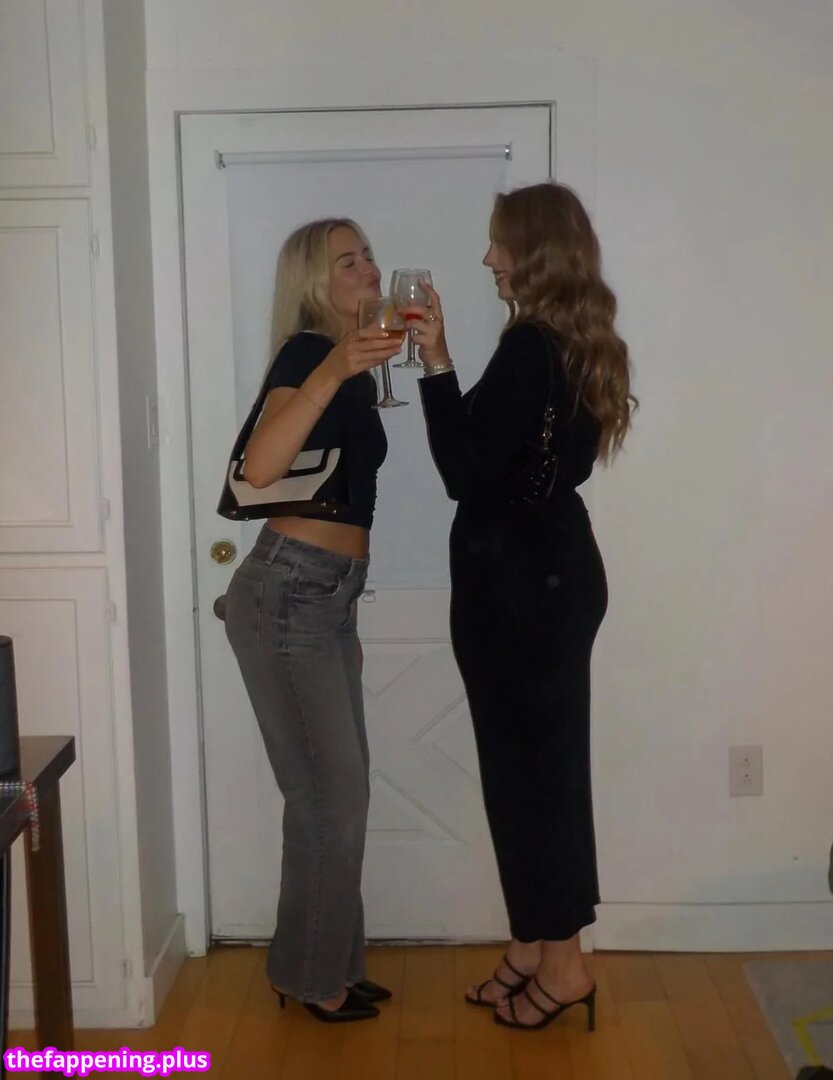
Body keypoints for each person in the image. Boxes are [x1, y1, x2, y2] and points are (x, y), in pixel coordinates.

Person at [412, 182, 636, 1031]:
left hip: (521, 590)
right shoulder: (570, 340)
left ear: (534, 252)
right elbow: (501, 456)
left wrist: (436, 362)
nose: (488, 259)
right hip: (544, 578)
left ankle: (565, 966)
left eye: (499, 243)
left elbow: (462, 470)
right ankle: (537, 946)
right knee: (536, 774)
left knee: (532, 781)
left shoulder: (532, 347)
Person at [223, 218, 403, 1023]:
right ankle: (315, 977)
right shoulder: (308, 355)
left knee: (326, 796)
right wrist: (335, 366)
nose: (369, 268)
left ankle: (320, 964)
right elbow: (260, 468)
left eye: (368, 255)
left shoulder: (349, 363)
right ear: (313, 283)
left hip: (326, 597)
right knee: (335, 796)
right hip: (291, 592)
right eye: (348, 261)